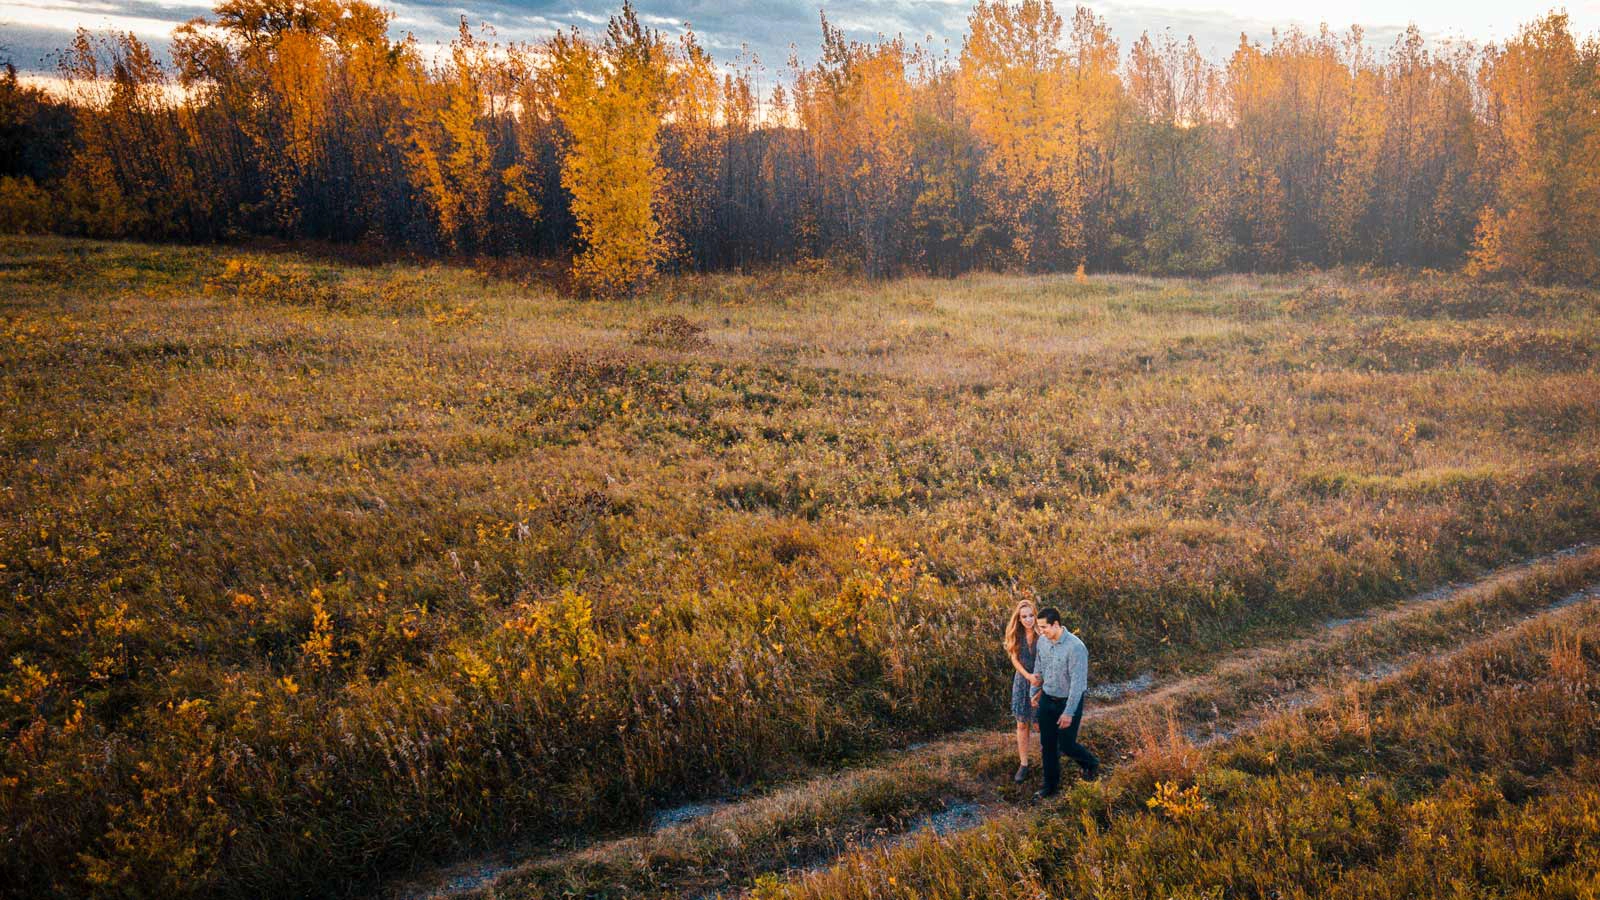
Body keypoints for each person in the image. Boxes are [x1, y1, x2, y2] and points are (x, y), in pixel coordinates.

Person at [1030, 607, 1100, 798]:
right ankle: (1050, 787)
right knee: (1048, 745)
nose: (1041, 631)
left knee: (1067, 745)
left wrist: (1068, 712)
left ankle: (1091, 764)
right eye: (1039, 627)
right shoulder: (1042, 642)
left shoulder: (1076, 648)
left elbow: (1078, 685)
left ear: (1056, 625)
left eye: (1044, 627)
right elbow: (1039, 667)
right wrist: (1034, 692)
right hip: (1047, 699)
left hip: (1068, 702)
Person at [1004, 600, 1044, 782]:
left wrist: (1040, 683)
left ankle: (1049, 757)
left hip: (1041, 682)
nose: (1028, 619)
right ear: (1019, 619)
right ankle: (1024, 764)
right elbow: (1014, 659)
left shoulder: (1042, 634)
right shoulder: (1016, 634)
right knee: (1022, 723)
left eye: (1031, 615)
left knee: (1040, 723)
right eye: (1024, 616)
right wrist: (1027, 676)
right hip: (1023, 680)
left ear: (1035, 616)